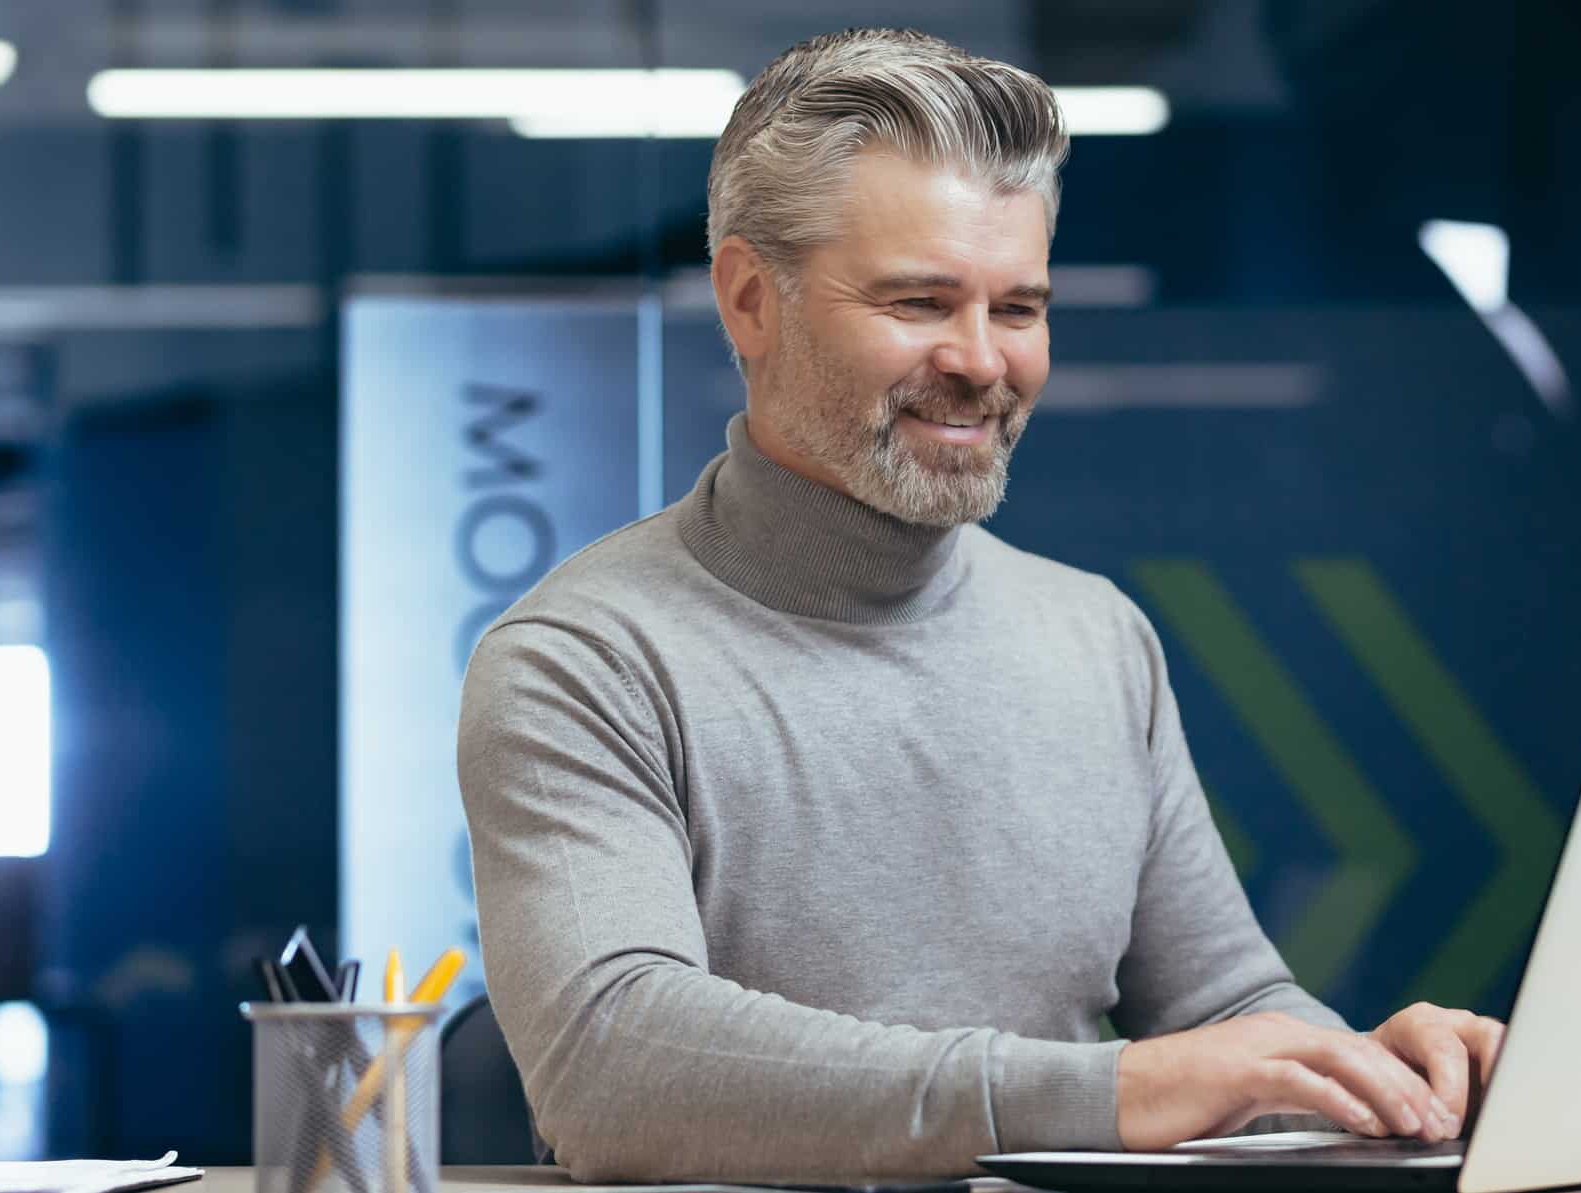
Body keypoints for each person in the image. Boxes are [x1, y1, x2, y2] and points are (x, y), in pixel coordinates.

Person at [457, 27, 1504, 1183]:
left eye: (1018, 308)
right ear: (753, 300)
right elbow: (613, 1068)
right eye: (918, 300)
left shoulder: (1096, 636)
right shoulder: (584, 659)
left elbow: (1224, 1004)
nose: (979, 360)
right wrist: (1108, 1090)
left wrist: (1370, 1076)